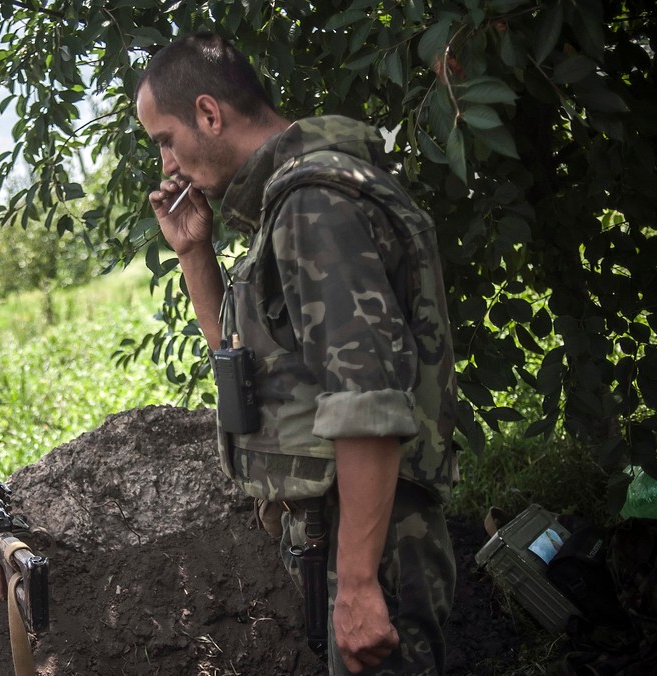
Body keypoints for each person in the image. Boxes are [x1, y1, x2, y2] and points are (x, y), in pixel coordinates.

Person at [135, 33, 459, 675]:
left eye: (165, 139)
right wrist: (195, 256)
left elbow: (365, 398)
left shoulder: (314, 203)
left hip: (374, 540)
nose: (167, 165)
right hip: (342, 536)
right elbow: (252, 370)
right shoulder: (291, 204)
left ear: (208, 112)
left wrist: (361, 585)